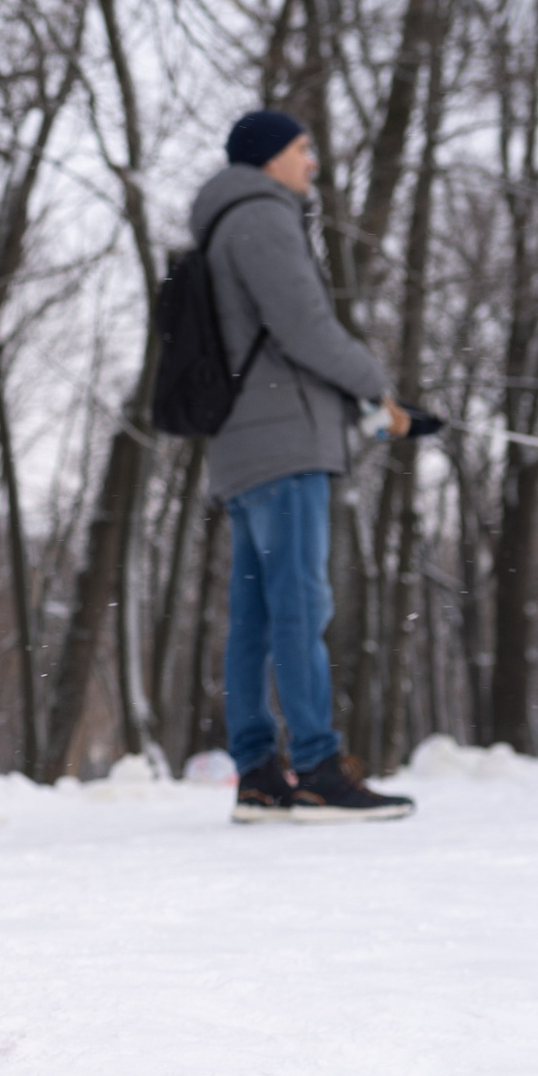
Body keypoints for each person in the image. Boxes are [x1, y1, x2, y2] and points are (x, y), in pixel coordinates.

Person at [194, 109, 415, 823]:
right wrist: (374, 386)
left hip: (243, 447)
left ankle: (259, 775)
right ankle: (318, 768)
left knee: (256, 619)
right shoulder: (262, 215)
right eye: (301, 148)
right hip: (284, 446)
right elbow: (304, 327)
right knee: (298, 609)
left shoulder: (220, 224)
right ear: (268, 157)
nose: (311, 161)